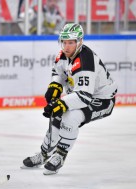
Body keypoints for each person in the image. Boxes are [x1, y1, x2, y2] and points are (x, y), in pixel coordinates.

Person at [21, 23, 118, 175]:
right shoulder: (62, 55)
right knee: (57, 115)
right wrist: (55, 86)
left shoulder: (86, 61)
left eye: (71, 42)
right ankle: (44, 153)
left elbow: (84, 96)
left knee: (71, 117)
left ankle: (60, 155)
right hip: (82, 95)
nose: (66, 47)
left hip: (102, 100)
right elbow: (59, 73)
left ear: (79, 42)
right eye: (64, 42)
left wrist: (61, 103)